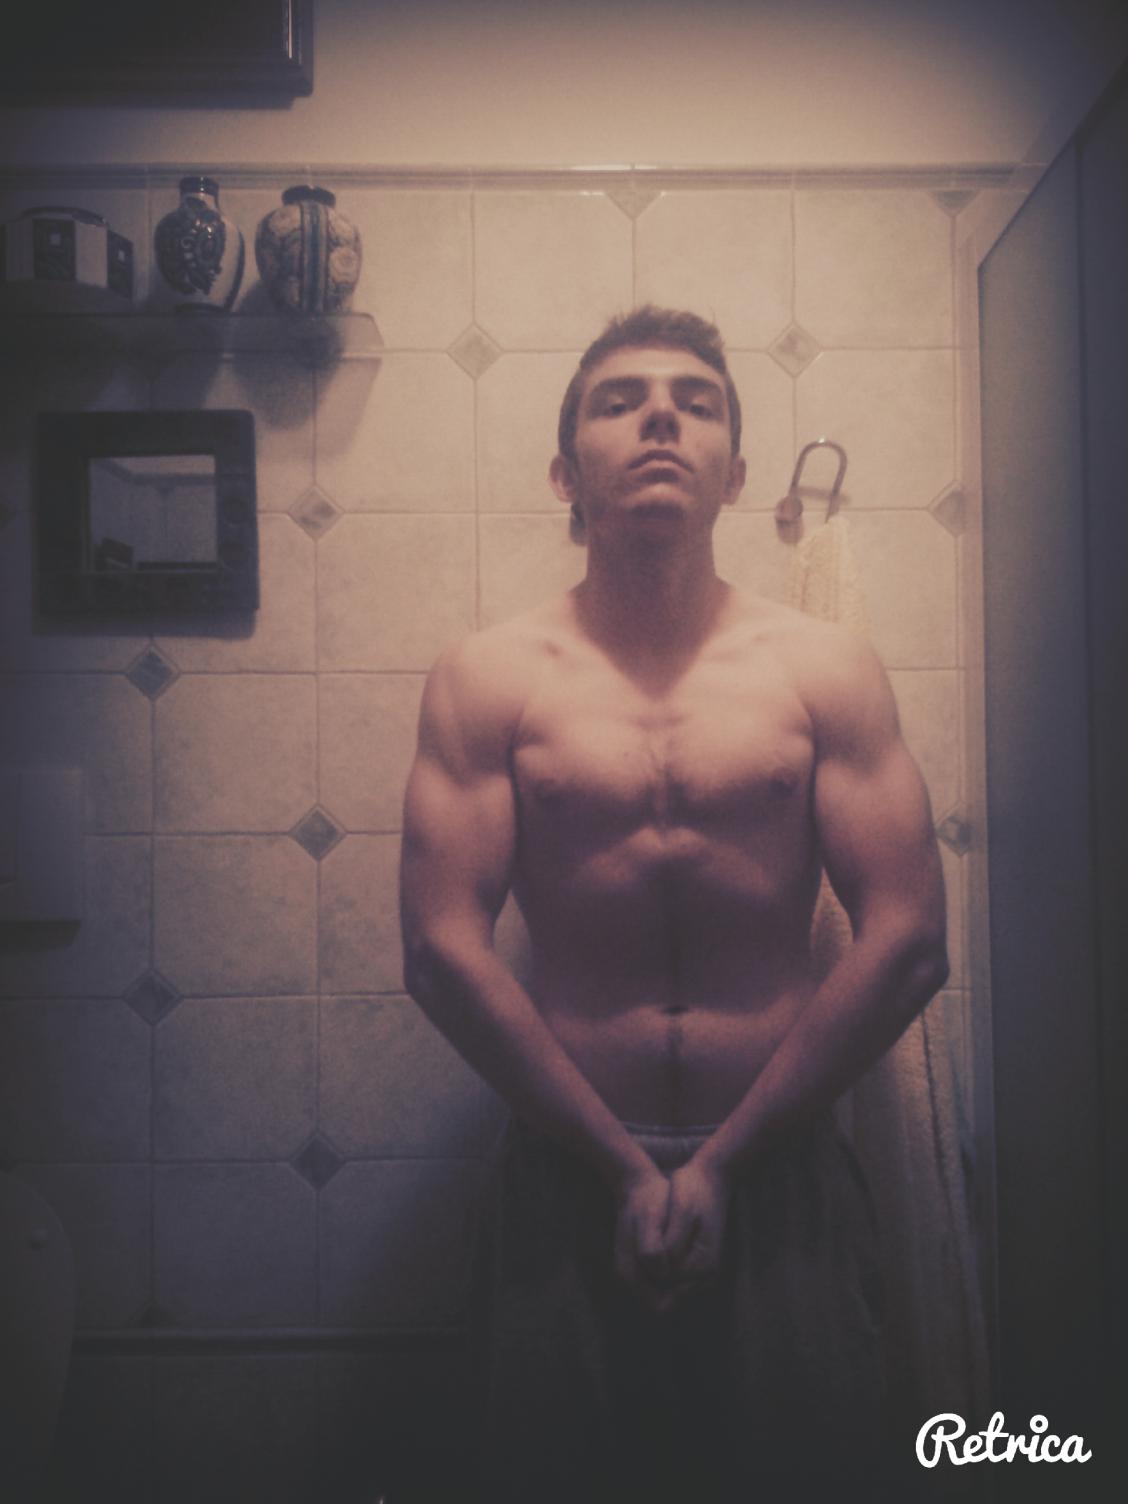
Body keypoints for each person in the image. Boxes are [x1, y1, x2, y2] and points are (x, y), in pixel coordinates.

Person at [399, 306, 948, 1502]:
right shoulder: (489, 677)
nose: (661, 418)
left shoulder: (824, 670)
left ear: (736, 474)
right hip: (563, 1173)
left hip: (784, 1174)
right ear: (565, 471)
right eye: (622, 401)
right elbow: (440, 950)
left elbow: (910, 938)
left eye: (696, 403)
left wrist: (722, 1167)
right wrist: (620, 1168)